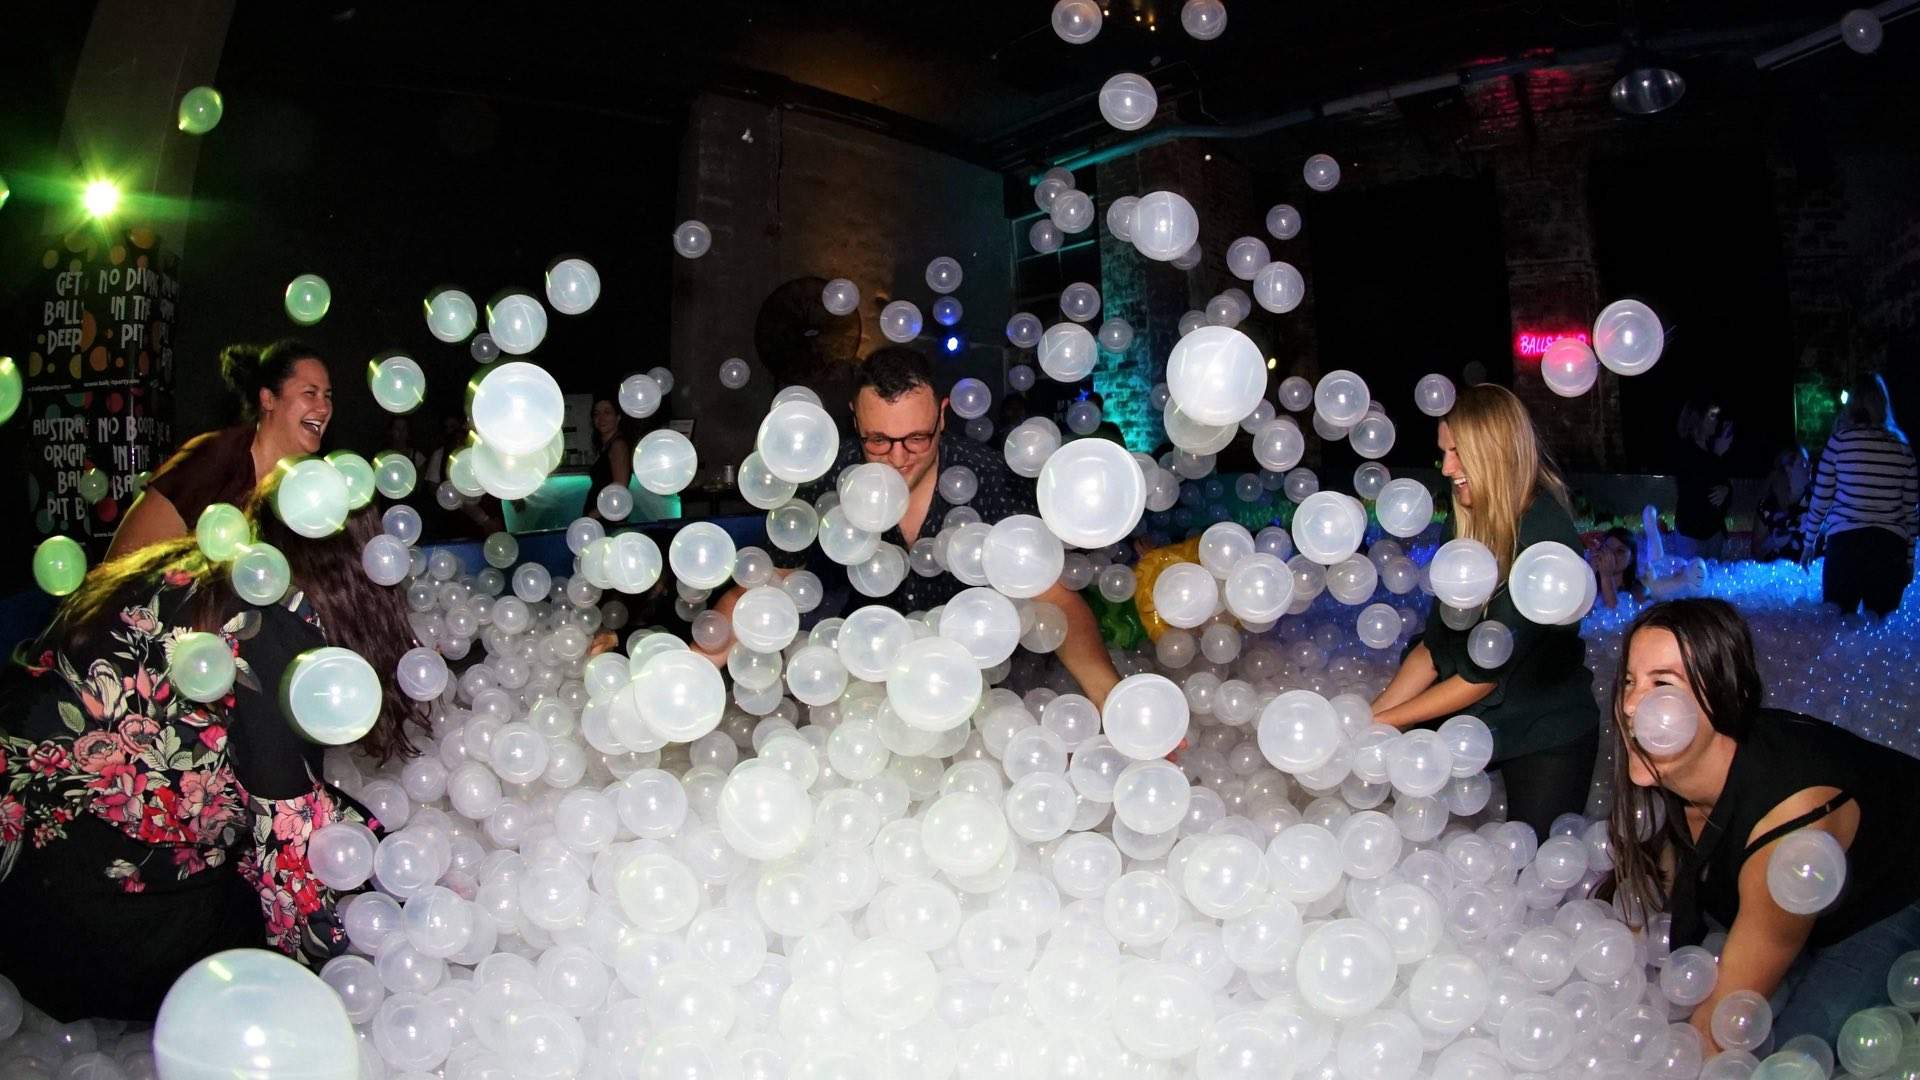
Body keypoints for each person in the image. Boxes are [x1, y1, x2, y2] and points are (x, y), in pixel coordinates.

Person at [0, 482, 422, 1021]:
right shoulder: (272, 626)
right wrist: (367, 972)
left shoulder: (199, 569)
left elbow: (272, 784)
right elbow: (293, 865)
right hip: (74, 922)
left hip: (21, 873)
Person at [703, 347, 1122, 708]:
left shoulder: (990, 479)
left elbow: (1056, 600)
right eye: (878, 440)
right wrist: (690, 672)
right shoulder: (828, 483)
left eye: (917, 438)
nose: (898, 457)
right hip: (863, 702)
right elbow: (758, 591)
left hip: (974, 698)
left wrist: (1109, 695)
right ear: (855, 421)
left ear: (942, 416)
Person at [1604, 598, 1920, 1050]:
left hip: (1896, 887)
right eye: (1630, 681)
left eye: (1662, 684)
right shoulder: (1676, 765)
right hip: (1800, 880)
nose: (1632, 706)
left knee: (1801, 1050)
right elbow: (1668, 869)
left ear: (1720, 698)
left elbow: (1717, 1027)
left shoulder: (1790, 832)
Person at [1370, 383, 1599, 839]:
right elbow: (1436, 648)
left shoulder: (1544, 539)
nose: (1447, 468)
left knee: (1534, 874)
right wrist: (1368, 721)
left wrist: (1385, 723)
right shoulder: (1465, 519)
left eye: (1458, 452)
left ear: (1496, 453)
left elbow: (1481, 674)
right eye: (1444, 452)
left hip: (1546, 730)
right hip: (1481, 722)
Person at [107, 341, 333, 560]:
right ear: (268, 399)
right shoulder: (214, 459)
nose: (324, 408)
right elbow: (123, 559)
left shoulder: (314, 490)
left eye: (328, 396)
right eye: (310, 393)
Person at [1801, 373, 1918, 616]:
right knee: (1879, 637)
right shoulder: (1902, 447)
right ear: (1883, 404)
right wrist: (1909, 559)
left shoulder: (1840, 442)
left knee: (1837, 632)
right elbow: (1910, 512)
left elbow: (1821, 498)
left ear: (1852, 404)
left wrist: (1809, 542)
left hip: (1846, 547)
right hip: (1889, 548)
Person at [1671, 395, 1735, 560]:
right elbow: (1697, 490)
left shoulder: (1711, 450)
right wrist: (1718, 457)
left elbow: (1722, 487)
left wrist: (1726, 489)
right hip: (1691, 533)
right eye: (1711, 416)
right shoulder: (1685, 450)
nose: (1716, 421)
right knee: (1693, 581)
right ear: (1698, 418)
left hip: (1713, 531)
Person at [1751, 443, 1812, 563]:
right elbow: (1755, 553)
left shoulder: (1816, 501)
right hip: (1774, 578)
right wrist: (1773, 542)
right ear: (1788, 470)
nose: (1810, 466)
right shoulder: (1768, 506)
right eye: (1804, 463)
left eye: (1809, 462)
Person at [584, 395, 635, 522]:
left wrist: (594, 514)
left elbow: (620, 488)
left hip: (607, 516)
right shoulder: (607, 445)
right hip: (605, 514)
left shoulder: (618, 445)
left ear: (618, 417)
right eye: (596, 413)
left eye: (607, 412)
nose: (601, 418)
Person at [1589, 525, 1645, 609]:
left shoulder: (1637, 590)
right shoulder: (1594, 586)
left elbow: (1616, 615)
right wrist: (1590, 572)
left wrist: (1606, 576)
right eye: (1608, 549)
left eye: (1620, 551)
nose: (1611, 555)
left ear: (1631, 559)